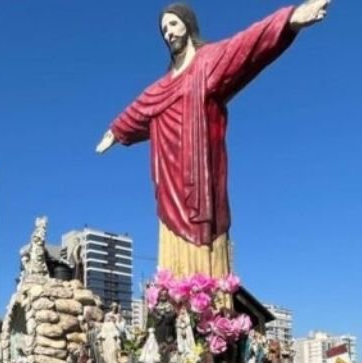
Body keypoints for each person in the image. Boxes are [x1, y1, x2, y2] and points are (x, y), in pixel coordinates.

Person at [96, 0, 330, 287]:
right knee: (171, 253)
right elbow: (141, 107)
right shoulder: (161, 88)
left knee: (209, 246)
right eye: (163, 29)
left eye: (172, 24)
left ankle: (210, 311)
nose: (168, 32)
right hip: (170, 186)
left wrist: (290, 18)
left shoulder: (210, 61)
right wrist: (115, 131)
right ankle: (177, 304)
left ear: (188, 24)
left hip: (202, 179)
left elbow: (249, 44)